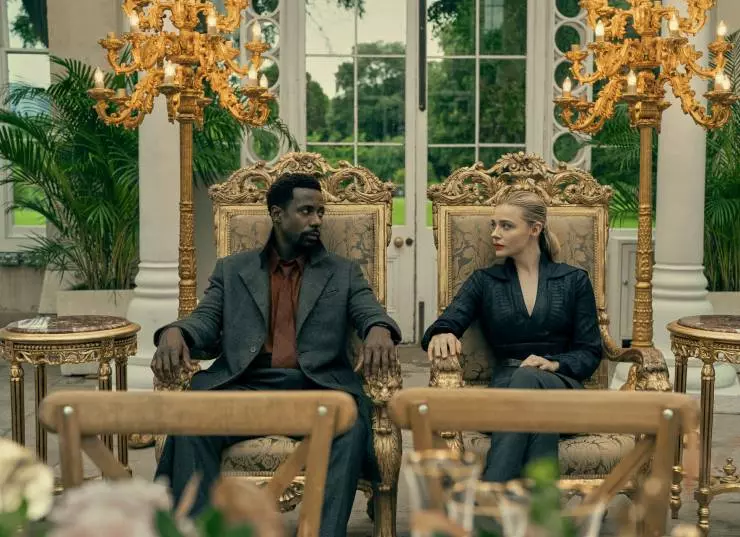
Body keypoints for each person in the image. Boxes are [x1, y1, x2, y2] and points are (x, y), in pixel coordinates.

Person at [152, 173, 401, 537]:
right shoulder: (232, 270)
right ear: (277, 214)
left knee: (351, 427)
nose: (316, 220)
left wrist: (379, 328)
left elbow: (369, 310)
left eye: (320, 212)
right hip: (246, 387)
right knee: (192, 421)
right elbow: (206, 319)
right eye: (306, 211)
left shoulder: (343, 272)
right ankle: (196, 530)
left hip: (317, 391)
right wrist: (177, 331)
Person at [421, 190, 602, 483]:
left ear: (535, 229)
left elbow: (590, 351)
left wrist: (553, 364)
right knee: (535, 403)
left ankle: (490, 497)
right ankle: (541, 506)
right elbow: (447, 321)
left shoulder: (573, 280)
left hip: (562, 389)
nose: (495, 233)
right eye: (493, 225)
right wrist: (443, 332)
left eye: (506, 226)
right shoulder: (485, 281)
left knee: (531, 379)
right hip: (505, 390)